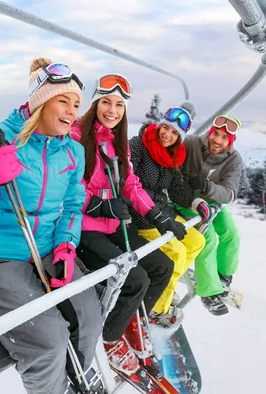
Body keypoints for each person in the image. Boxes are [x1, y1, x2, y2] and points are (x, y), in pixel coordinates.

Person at [0, 58, 102, 394]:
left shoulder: (71, 150)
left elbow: (73, 204)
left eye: (76, 104)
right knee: (49, 342)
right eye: (64, 101)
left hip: (46, 250)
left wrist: (66, 245)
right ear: (40, 100)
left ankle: (76, 382)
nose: (73, 111)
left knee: (89, 316)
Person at [70, 74, 174, 381]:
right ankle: (111, 339)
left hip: (113, 225)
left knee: (161, 266)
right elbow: (68, 186)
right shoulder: (76, 137)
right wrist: (97, 206)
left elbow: (130, 183)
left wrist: (157, 214)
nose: (112, 110)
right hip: (84, 230)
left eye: (118, 104)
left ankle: (129, 321)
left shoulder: (117, 142)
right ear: (95, 103)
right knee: (133, 277)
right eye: (106, 102)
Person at [128, 101, 211, 328]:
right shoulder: (139, 145)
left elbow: (175, 190)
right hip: (141, 213)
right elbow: (127, 182)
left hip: (164, 211)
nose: (167, 134)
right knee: (176, 254)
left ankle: (163, 287)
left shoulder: (174, 156)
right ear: (159, 125)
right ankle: (157, 309)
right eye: (165, 128)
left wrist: (195, 202)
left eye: (174, 133)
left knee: (196, 241)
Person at [179, 114, 243, 316]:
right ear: (210, 131)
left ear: (230, 142)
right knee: (208, 237)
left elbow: (230, 193)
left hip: (214, 203)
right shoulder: (191, 144)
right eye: (215, 133)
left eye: (224, 138)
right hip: (186, 201)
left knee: (232, 234)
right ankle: (208, 292)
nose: (217, 140)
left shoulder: (233, 160)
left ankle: (223, 275)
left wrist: (207, 187)